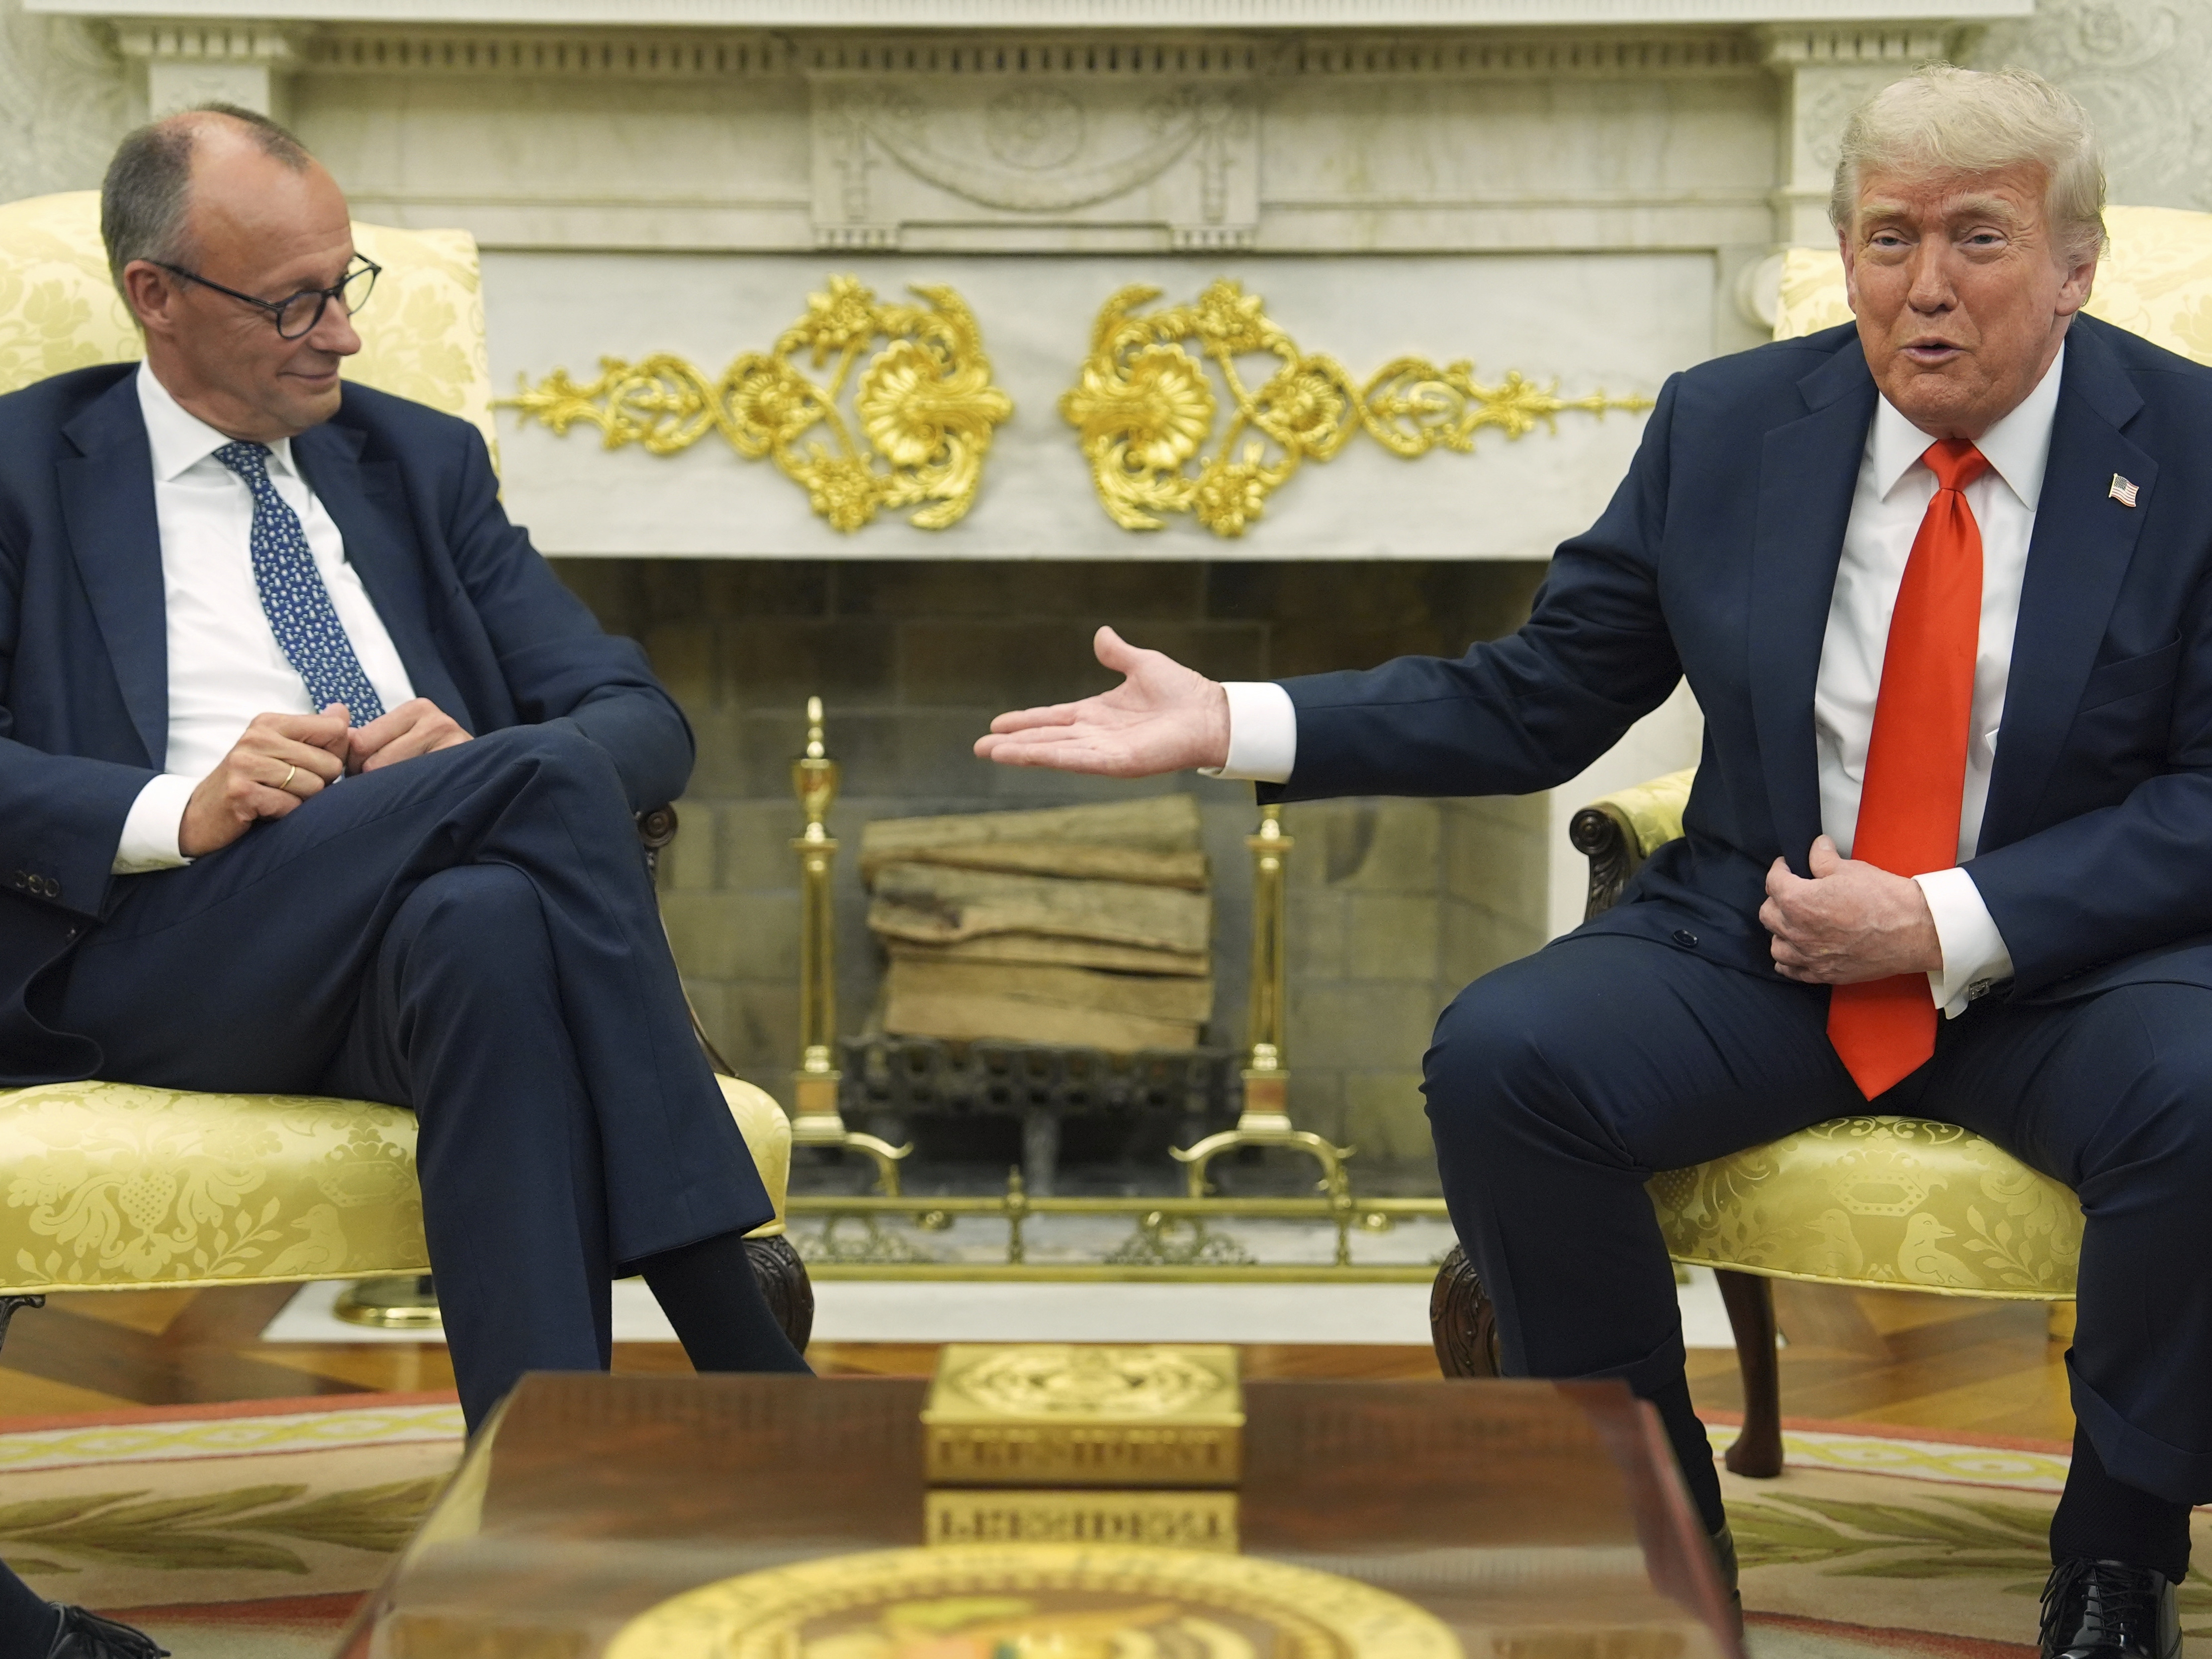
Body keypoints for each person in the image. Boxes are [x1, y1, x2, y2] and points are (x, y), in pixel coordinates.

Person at [981, 65, 2207, 1659]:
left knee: (2201, 1092)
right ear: (1844, 252)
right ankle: (1648, 1518)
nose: (1923, 286)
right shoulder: (1728, 425)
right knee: (1507, 1056)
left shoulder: (2191, 450)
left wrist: (1936, 917)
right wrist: (1234, 718)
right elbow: (1538, 694)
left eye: (1977, 238)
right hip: (1766, 941)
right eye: (1886, 237)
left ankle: (2115, 1547)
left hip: (2063, 962)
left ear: (2073, 266)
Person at [0, 105, 808, 1653]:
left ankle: (537, 1526)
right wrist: (181, 803)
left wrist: (475, 761)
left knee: (492, 906)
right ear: (155, 294)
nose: (344, 331)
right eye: (293, 300)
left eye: (346, 281)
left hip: (404, 935)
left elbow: (640, 715)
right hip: (150, 940)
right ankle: (742, 1349)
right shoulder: (24, 468)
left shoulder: (417, 463)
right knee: (532, 783)